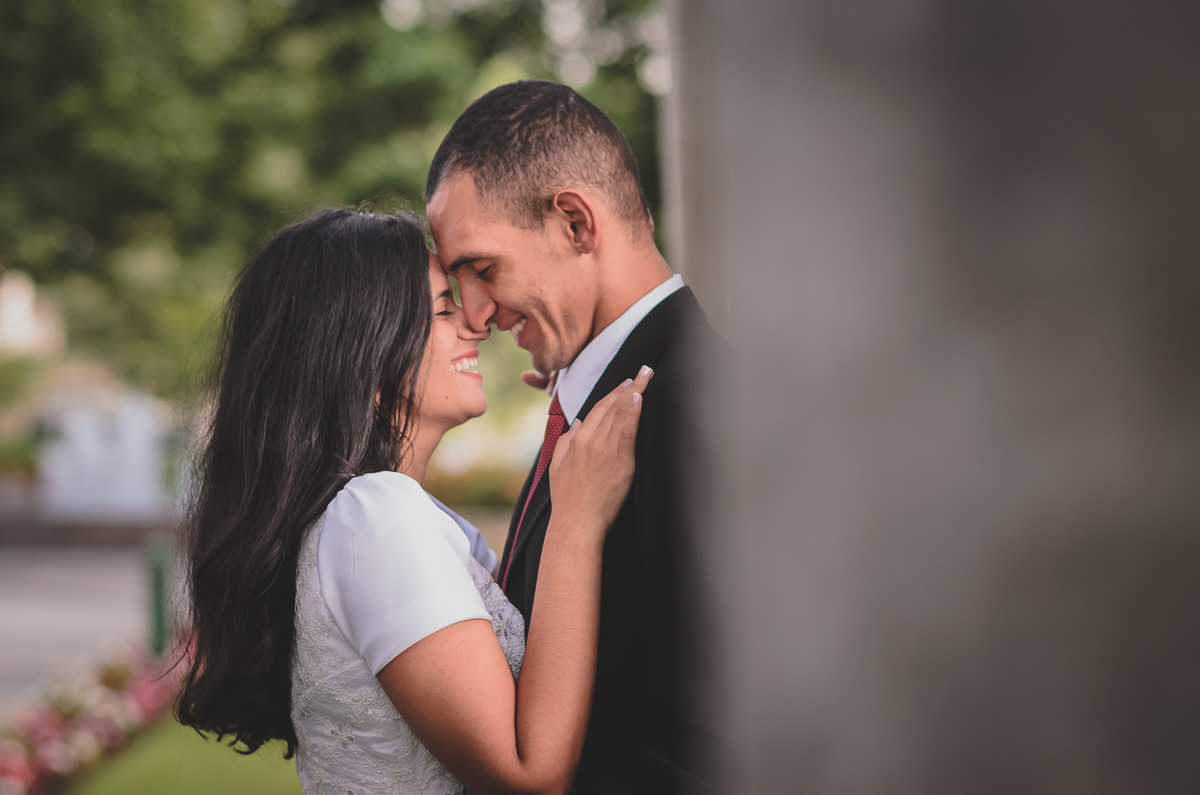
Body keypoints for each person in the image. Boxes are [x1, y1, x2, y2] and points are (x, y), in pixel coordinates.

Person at [175, 208, 654, 794]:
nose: (476, 324)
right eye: (444, 309)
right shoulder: (376, 516)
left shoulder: (382, 516)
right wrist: (576, 522)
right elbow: (530, 776)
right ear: (366, 353)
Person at [425, 80, 729, 792]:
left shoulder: (702, 408)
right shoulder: (598, 395)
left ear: (574, 222)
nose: (474, 314)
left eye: (482, 269)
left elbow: (713, 738)